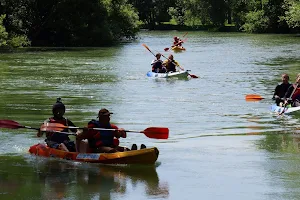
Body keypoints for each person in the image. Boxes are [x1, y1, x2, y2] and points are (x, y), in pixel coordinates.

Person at [76, 108, 146, 153]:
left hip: (110, 147)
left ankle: (133, 152)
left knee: (124, 149)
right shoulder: (93, 127)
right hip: (97, 149)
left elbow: (121, 136)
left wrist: (121, 132)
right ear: (101, 117)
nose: (108, 118)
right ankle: (129, 156)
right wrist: (84, 132)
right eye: (106, 116)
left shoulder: (112, 127)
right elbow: (79, 137)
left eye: (109, 116)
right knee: (111, 150)